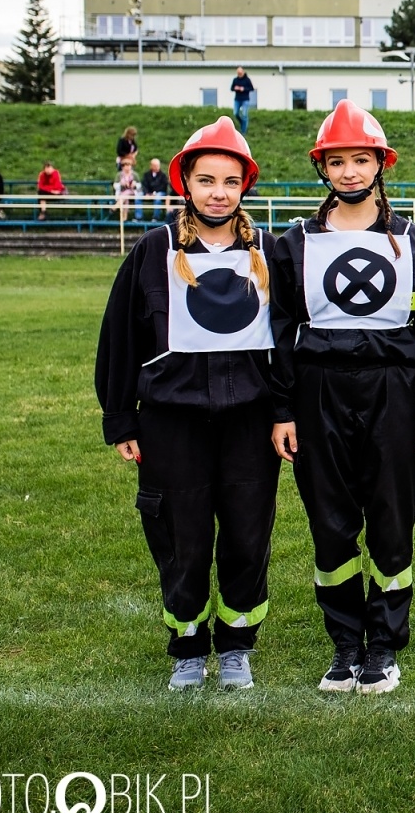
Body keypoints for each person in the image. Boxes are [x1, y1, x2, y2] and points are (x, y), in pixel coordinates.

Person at [268, 99, 415, 695]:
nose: (350, 172)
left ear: (380, 164)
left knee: (392, 522)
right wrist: (283, 410)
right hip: (319, 394)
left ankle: (384, 647)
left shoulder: (412, 240)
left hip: (393, 394)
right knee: (331, 526)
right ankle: (345, 644)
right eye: (338, 162)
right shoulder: (295, 242)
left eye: (361, 160)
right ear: (324, 168)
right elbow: (278, 333)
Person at [94, 117, 279, 690]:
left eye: (229, 180)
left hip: (250, 421)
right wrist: (120, 416)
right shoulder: (154, 250)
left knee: (248, 535)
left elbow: (291, 338)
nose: (218, 192)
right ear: (186, 184)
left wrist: (286, 412)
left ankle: (236, 645)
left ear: (244, 184)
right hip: (172, 422)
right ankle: (188, 648)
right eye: (206, 180)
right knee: (182, 536)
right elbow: (120, 338)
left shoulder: (268, 251)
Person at [113, 155, 141, 220]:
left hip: (133, 192)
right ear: (122, 167)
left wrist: (135, 185)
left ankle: (115, 207)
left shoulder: (135, 174)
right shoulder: (119, 175)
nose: (127, 167)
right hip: (122, 193)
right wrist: (121, 184)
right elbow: (115, 185)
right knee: (125, 198)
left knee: (126, 194)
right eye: (125, 166)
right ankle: (124, 218)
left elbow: (139, 185)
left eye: (129, 165)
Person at [231, 67, 255, 135]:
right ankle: (242, 123)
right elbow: (232, 88)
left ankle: (243, 131)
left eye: (240, 73)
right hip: (237, 99)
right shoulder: (235, 80)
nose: (239, 74)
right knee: (235, 113)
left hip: (245, 99)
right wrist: (235, 88)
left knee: (244, 115)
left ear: (243, 72)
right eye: (238, 73)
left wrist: (243, 89)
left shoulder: (247, 80)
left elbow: (251, 88)